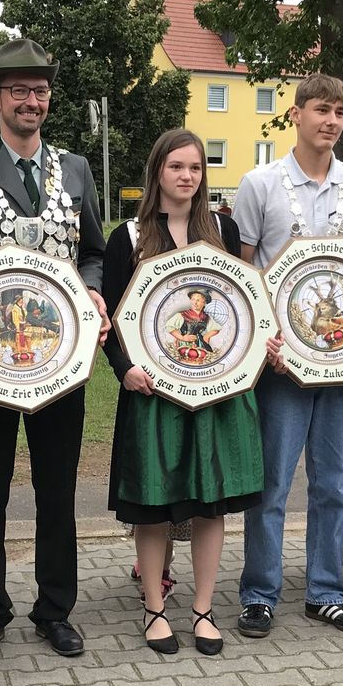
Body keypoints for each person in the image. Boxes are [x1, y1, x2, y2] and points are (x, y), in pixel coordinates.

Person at [0, 38, 108, 661]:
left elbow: (94, 251)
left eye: (40, 90)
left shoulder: (76, 167)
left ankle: (55, 609)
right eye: (18, 91)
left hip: (60, 359)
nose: (31, 101)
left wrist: (92, 289)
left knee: (58, 490)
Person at [102, 129, 264, 656]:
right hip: (152, 396)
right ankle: (154, 608)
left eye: (195, 167)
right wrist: (124, 369)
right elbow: (109, 320)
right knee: (154, 505)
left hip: (216, 394)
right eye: (176, 166)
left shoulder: (223, 228)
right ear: (158, 171)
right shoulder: (128, 236)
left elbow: (243, 304)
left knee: (210, 507)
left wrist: (253, 349)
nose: (187, 176)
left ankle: (203, 610)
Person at [232, 73, 343, 639]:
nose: (331, 121)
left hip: (342, 359)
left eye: (340, 112)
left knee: (334, 483)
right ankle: (259, 594)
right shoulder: (259, 184)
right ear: (296, 114)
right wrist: (260, 344)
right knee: (271, 483)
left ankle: (326, 590)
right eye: (321, 110)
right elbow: (243, 272)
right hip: (281, 363)